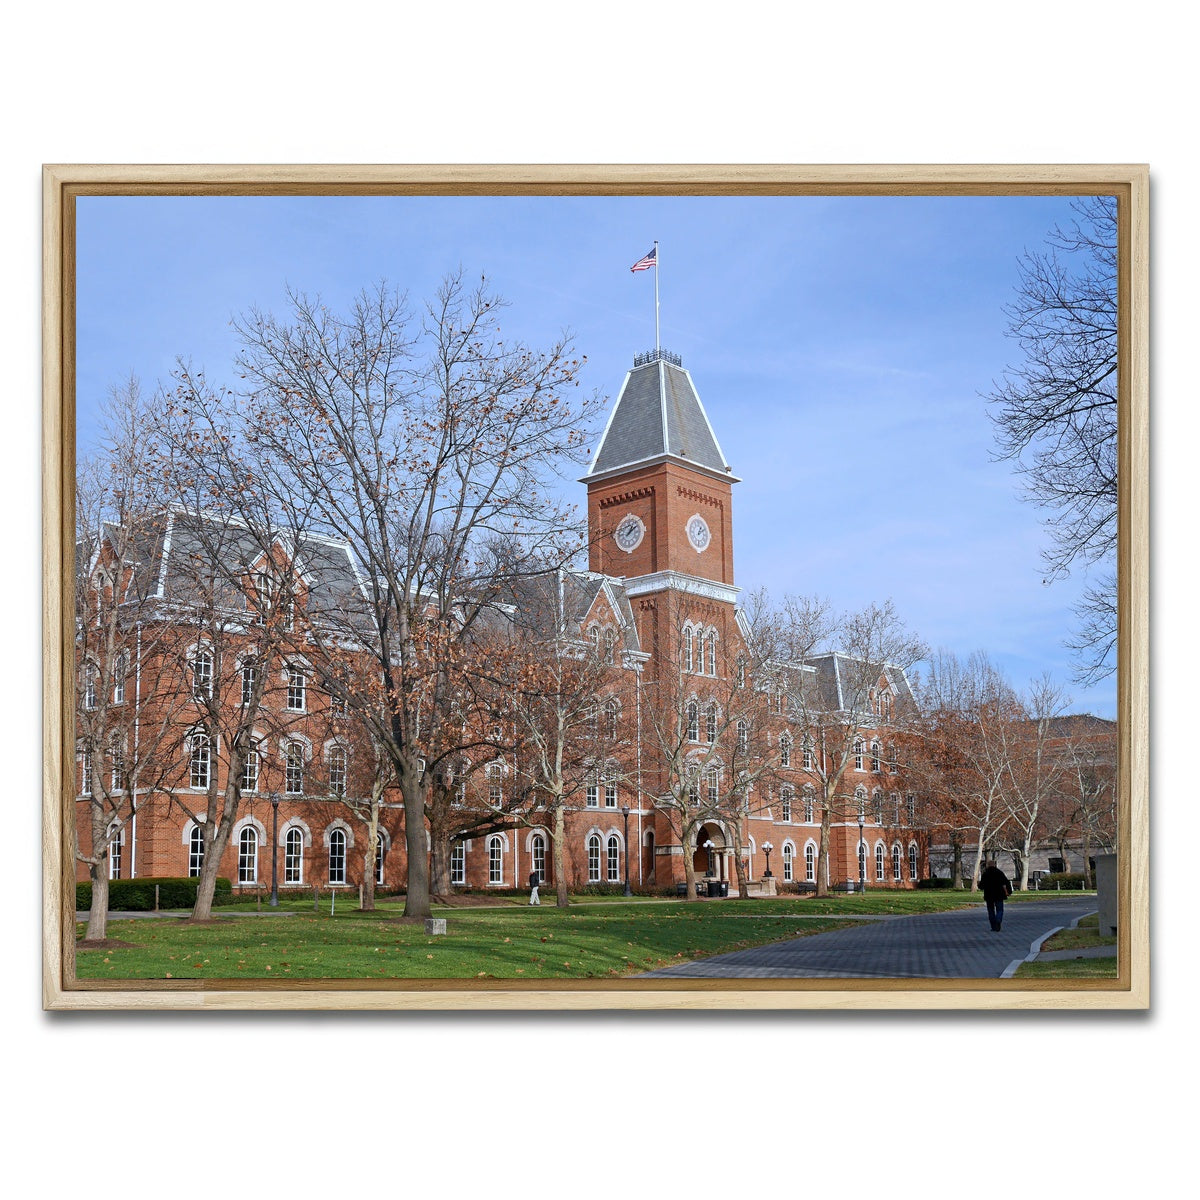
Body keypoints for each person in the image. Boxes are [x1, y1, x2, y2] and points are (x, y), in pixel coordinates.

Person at [979, 859, 1013, 931]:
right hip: (999, 894)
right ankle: (998, 920)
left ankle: (993, 926)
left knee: (990, 910)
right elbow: (1006, 882)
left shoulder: (985, 874)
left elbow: (981, 885)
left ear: (988, 865)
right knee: (1000, 909)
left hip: (989, 895)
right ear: (994, 865)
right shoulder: (999, 873)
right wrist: (1009, 892)